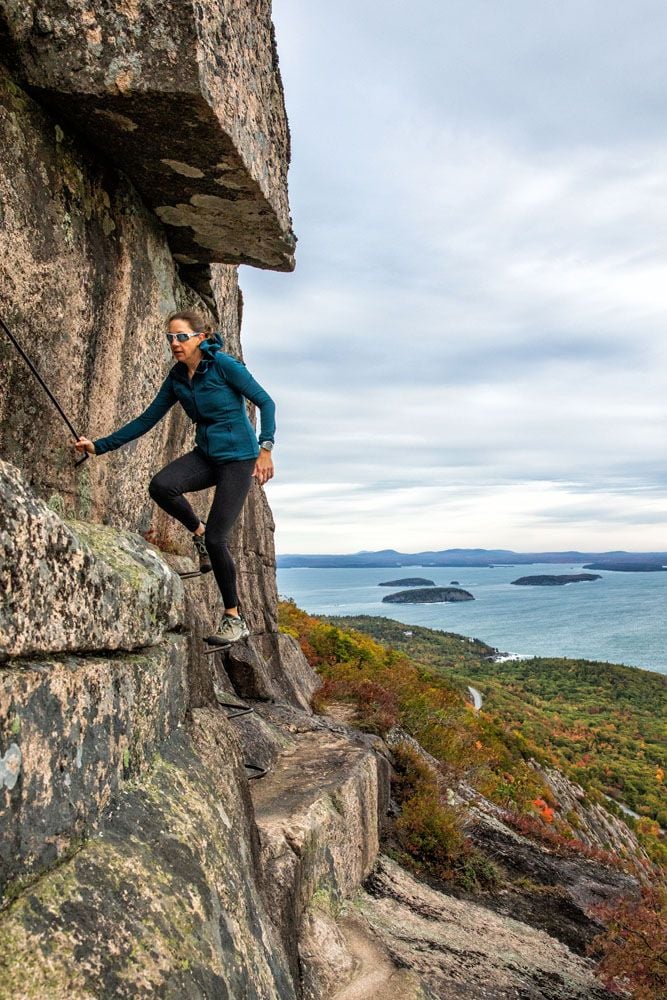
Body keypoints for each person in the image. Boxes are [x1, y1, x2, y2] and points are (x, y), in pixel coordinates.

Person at [75, 309, 275, 645]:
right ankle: (197, 532)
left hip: (238, 460)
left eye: (181, 336)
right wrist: (99, 446)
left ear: (200, 337)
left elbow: (266, 402)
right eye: (170, 337)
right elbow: (147, 419)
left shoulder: (224, 366)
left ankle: (233, 617)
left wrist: (265, 448)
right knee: (161, 486)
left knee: (217, 540)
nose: (175, 343)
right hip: (207, 455)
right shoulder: (178, 377)